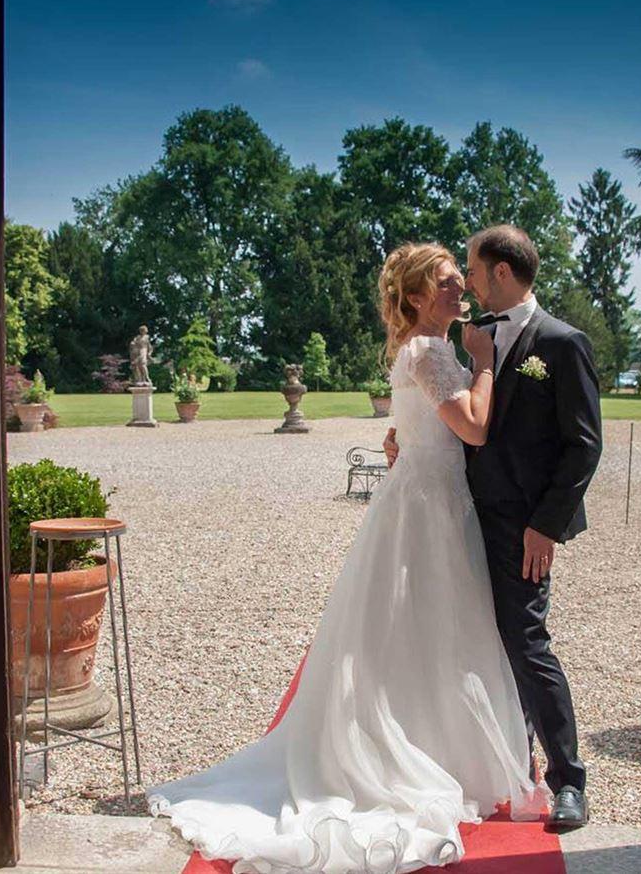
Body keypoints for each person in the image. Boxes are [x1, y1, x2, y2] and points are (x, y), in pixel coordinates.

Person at [147, 243, 547, 874]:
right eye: (446, 283)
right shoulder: (429, 350)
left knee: (434, 630)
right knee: (421, 626)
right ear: (416, 296)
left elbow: (426, 432)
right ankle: (405, 752)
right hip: (425, 507)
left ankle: (436, 743)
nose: (458, 291)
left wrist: (411, 435)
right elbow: (472, 427)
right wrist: (486, 364)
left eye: (456, 281)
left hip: (435, 499)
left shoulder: (428, 349)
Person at [384, 224, 603, 829]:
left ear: (501, 273)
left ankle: (568, 781)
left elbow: (583, 447)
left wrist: (546, 527)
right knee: (473, 643)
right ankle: (507, 764)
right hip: (457, 516)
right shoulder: (467, 341)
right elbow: (453, 419)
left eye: (474, 273)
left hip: (521, 527)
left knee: (525, 643)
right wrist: (405, 436)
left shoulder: (562, 343)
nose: (469, 284)